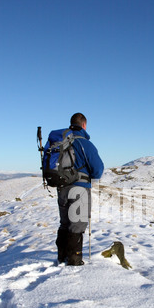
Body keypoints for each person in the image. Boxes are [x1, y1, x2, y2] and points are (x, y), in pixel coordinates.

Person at [53, 113, 104, 265]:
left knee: (64, 223)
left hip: (61, 188)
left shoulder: (60, 141)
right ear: (84, 125)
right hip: (79, 189)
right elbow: (98, 170)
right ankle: (74, 260)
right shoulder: (85, 144)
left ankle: (61, 257)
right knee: (77, 223)